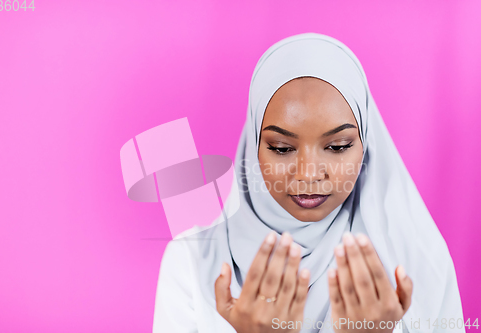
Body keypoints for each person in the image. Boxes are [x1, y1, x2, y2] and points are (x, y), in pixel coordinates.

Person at [152, 33, 465, 333]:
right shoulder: (192, 262)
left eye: (338, 146)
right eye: (282, 148)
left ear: (366, 145)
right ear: (253, 145)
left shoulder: (418, 262)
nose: (308, 174)